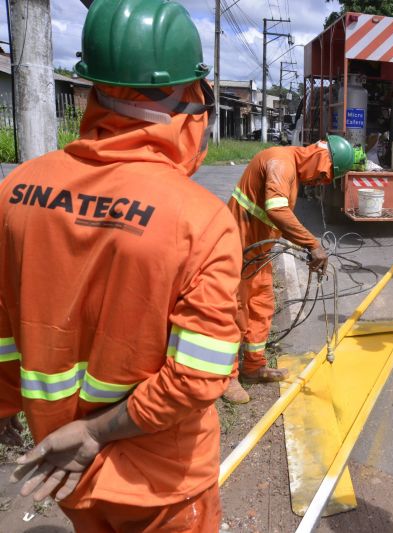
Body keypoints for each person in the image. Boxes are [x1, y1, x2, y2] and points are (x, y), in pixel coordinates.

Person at [0, 0, 239, 531]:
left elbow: (2, 322)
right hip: (161, 482)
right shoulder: (200, 221)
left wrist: (4, 407)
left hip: (63, 468)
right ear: (189, 93)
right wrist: (94, 433)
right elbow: (198, 378)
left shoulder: (15, 191)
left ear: (90, 87)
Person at [223, 137, 354, 403]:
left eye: (325, 180)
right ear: (320, 153)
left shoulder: (291, 168)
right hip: (236, 251)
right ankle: (227, 379)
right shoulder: (280, 162)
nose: (319, 182)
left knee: (262, 307)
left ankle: (253, 368)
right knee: (234, 314)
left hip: (258, 253)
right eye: (323, 175)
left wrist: (305, 244)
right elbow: (277, 210)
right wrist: (312, 244)